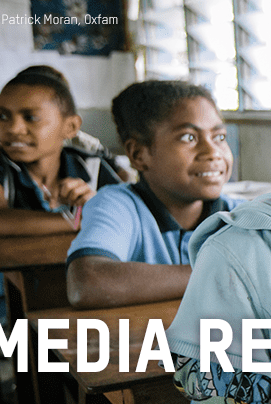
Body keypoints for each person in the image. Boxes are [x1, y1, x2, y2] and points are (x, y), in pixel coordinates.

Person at [0, 65, 121, 335]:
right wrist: (75, 219)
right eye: (3, 116)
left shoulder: (89, 159)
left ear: (71, 126)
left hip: (80, 293)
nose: (14, 128)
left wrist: (96, 207)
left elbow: (129, 212)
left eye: (31, 117)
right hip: (6, 303)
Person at [65, 80, 243, 309]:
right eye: (189, 137)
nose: (213, 152)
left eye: (219, 137)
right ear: (139, 154)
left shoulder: (242, 215)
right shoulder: (118, 206)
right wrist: (224, 275)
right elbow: (88, 283)